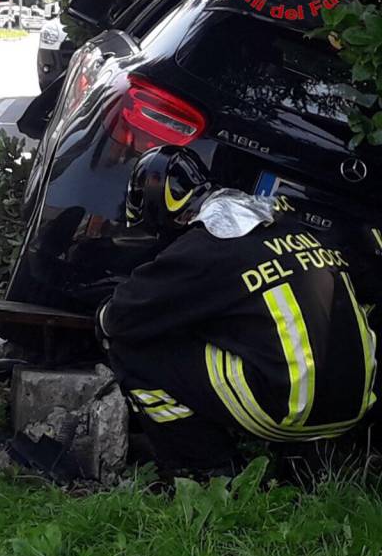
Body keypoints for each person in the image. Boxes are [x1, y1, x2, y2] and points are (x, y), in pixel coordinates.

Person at [95, 145, 377, 475]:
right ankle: (310, 459)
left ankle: (208, 471)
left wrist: (102, 314)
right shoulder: (290, 225)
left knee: (131, 350)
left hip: (287, 410)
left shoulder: (205, 246)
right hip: (355, 404)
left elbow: (120, 318)